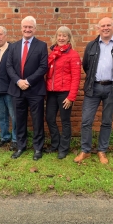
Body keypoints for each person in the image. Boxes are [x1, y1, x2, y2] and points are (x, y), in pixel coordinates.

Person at [74, 17, 113, 164]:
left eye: (108, 25)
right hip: (93, 87)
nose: (105, 28)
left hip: (112, 88)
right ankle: (85, 151)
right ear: (98, 28)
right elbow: (86, 66)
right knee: (86, 121)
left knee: (106, 121)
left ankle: (102, 151)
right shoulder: (91, 46)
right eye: (102, 26)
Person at [6, 16, 48, 160]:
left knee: (37, 120)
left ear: (35, 29)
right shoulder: (14, 46)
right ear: (21, 28)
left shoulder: (41, 46)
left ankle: (38, 148)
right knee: (19, 120)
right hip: (17, 90)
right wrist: (18, 81)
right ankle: (20, 146)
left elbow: (43, 67)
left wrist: (28, 81)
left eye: (30, 27)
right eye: (25, 27)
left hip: (35, 89)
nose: (27, 29)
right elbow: (9, 66)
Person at [45, 26, 81, 159]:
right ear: (56, 37)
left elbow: (76, 77)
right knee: (49, 118)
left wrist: (71, 97)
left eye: (64, 36)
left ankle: (64, 148)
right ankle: (55, 144)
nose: (61, 38)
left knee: (65, 121)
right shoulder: (52, 53)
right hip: (52, 92)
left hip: (65, 93)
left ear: (68, 38)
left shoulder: (73, 55)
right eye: (59, 35)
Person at [0, 26, 17, 151]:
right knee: (1, 116)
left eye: (1, 34)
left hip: (10, 89)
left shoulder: (12, 49)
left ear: (5, 36)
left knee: (14, 115)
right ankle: (4, 136)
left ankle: (16, 139)